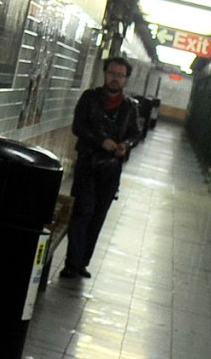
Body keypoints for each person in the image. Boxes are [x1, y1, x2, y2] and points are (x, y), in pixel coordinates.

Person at [58, 56, 140, 279]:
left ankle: (82, 262)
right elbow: (78, 126)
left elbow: (135, 133)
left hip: (112, 169)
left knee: (98, 215)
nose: (115, 79)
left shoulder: (130, 107)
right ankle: (72, 263)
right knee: (82, 212)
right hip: (87, 163)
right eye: (112, 74)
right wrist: (100, 141)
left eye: (120, 76)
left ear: (126, 79)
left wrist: (125, 145)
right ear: (105, 73)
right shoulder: (90, 98)